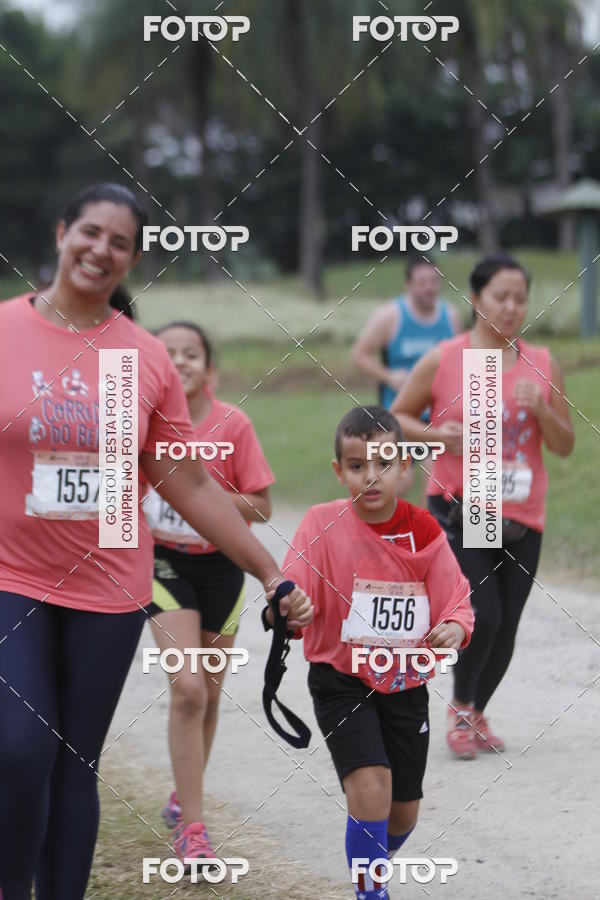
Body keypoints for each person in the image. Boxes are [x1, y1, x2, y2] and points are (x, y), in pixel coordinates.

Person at [0, 182, 312, 900]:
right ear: (61, 233)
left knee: (73, 764)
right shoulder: (7, 331)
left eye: (120, 243)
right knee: (18, 751)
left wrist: (269, 572)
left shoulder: (137, 358)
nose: (100, 250)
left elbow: (190, 484)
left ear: (133, 261)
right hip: (11, 575)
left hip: (106, 587)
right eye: (91, 232)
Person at [274, 406, 473, 900]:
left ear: (405, 467)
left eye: (385, 464)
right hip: (340, 680)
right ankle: (371, 891)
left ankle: (372, 862)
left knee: (401, 812)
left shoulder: (424, 530)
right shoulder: (321, 524)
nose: (371, 476)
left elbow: (456, 596)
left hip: (404, 683)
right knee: (369, 788)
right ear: (339, 471)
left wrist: (453, 625)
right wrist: (290, 608)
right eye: (357, 465)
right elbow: (292, 587)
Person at [391, 254, 575, 758]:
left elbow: (564, 445)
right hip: (465, 502)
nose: (511, 307)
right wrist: (437, 436)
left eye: (520, 299)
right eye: (501, 297)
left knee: (507, 624)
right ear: (475, 299)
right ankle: (461, 707)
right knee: (484, 613)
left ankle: (472, 712)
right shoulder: (447, 358)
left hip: (522, 510)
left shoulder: (543, 363)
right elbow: (395, 417)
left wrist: (542, 410)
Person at [142, 321, 276, 862]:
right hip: (163, 565)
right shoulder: (141, 420)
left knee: (212, 695)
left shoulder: (232, 423)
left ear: (210, 368)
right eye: (169, 352)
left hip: (222, 568)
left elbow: (262, 506)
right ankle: (193, 832)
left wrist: (206, 497)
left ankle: (185, 795)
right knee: (189, 689)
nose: (180, 361)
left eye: (191, 353)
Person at [351, 257, 461, 499]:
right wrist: (388, 375)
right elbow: (359, 355)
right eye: (422, 282)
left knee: (436, 477)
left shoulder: (451, 317)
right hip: (398, 415)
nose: (429, 288)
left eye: (434, 281)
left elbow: (460, 361)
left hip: (437, 417)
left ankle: (432, 523)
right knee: (400, 483)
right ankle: (371, 519)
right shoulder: (390, 316)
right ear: (408, 285)